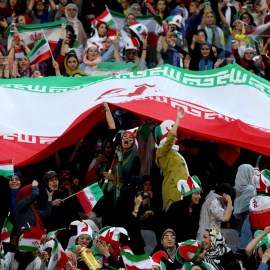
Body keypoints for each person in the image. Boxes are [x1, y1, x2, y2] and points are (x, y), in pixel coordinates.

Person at [155, 106, 189, 211]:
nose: (176, 139)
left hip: (183, 192)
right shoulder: (161, 152)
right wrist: (178, 120)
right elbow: (170, 140)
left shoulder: (174, 153)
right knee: (172, 222)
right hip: (173, 191)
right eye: (174, 136)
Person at [166, 175, 203, 242]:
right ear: (189, 195)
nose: (199, 196)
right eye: (197, 194)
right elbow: (169, 228)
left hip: (191, 245)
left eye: (200, 194)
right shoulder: (175, 207)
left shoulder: (197, 209)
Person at [233, 164, 255, 250]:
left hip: (239, 215)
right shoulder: (251, 189)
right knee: (247, 230)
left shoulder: (236, 189)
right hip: (249, 213)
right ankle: (244, 248)